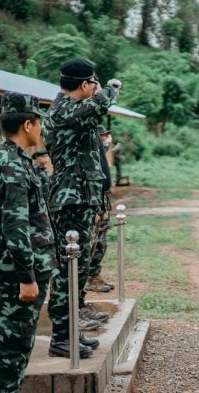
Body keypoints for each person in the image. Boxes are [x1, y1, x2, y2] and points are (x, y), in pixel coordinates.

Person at [43, 58, 120, 358]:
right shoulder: (65, 110)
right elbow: (101, 104)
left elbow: (95, 111)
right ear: (85, 84)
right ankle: (61, 337)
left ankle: (69, 332)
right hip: (69, 200)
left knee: (78, 267)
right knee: (66, 269)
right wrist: (111, 87)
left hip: (79, 198)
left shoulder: (75, 111)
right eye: (92, 83)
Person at [0, 92, 62, 392]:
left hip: (27, 267)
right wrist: (26, 277)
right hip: (20, 272)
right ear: (28, 125)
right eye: (39, 123)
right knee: (12, 348)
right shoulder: (11, 166)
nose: (41, 130)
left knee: (18, 345)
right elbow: (15, 226)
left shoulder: (16, 160)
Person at [86, 125, 116, 293]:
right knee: (95, 241)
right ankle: (90, 277)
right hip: (95, 200)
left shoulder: (98, 148)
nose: (105, 139)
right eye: (102, 136)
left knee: (101, 240)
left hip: (101, 199)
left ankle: (94, 274)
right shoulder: (92, 149)